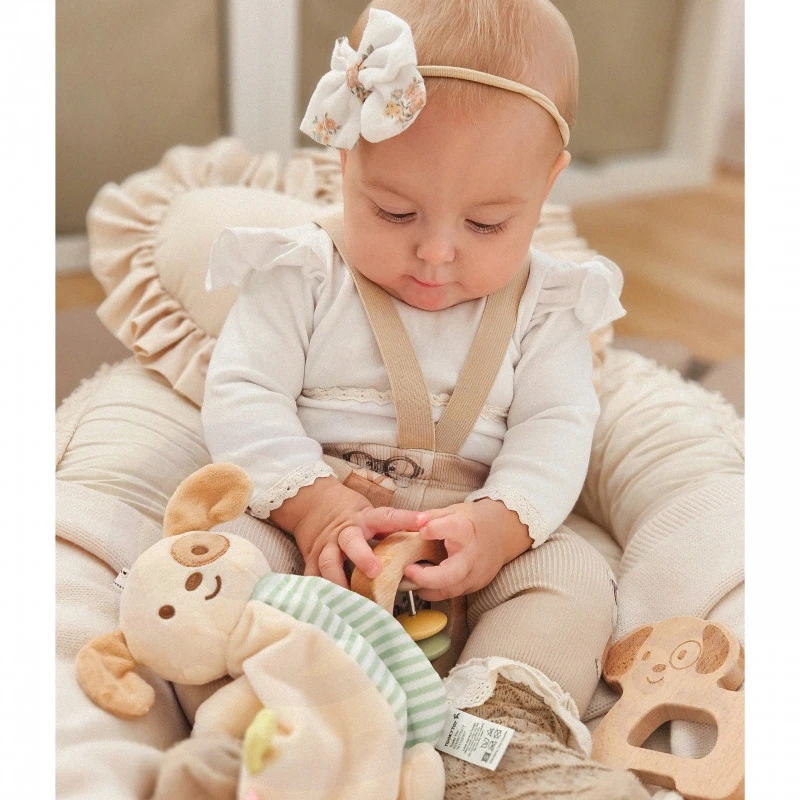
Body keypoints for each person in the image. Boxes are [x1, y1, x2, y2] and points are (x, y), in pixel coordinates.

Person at [203, 1, 647, 797]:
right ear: (345, 163)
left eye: (487, 223)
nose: (436, 252)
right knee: (226, 554)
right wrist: (312, 507)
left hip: (473, 533)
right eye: (395, 212)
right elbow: (242, 393)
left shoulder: (548, 304)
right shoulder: (302, 271)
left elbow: (556, 424)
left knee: (573, 575)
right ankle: (265, 721)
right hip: (314, 523)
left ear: (546, 186)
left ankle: (496, 730)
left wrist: (503, 525)